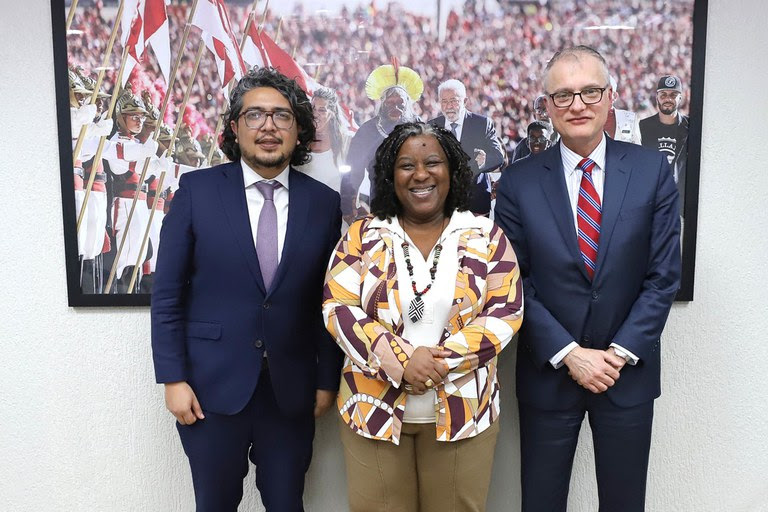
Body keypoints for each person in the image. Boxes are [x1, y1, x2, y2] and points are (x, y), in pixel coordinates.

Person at [494, 46, 681, 512]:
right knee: (540, 501)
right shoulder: (517, 183)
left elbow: (663, 277)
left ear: (611, 97)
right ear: (547, 106)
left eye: (590, 92)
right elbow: (515, 282)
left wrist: (616, 355)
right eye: (562, 95)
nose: (577, 105)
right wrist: (570, 354)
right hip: (550, 371)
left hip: (627, 373)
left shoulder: (650, 171)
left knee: (624, 503)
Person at [151, 67, 343, 511]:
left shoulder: (323, 203)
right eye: (255, 115)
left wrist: (326, 379)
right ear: (235, 128)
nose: (269, 126)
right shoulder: (197, 191)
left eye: (282, 116)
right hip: (209, 390)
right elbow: (167, 295)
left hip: (292, 392)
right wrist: (173, 378)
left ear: (300, 130)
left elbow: (328, 300)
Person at [324, 122, 523, 512]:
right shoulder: (362, 235)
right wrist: (402, 361)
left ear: (452, 170)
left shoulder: (486, 235)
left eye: (433, 162)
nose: (420, 174)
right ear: (388, 174)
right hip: (372, 411)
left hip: (465, 411)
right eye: (406, 165)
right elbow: (337, 306)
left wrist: (434, 364)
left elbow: (505, 311)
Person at [339, 62, 423, 222]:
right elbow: (351, 169)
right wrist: (347, 204)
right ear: (382, 104)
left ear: (408, 105)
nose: (395, 108)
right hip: (381, 208)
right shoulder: (367, 131)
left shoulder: (421, 128)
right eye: (390, 103)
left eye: (400, 103)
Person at [429, 78, 505, 215]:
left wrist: (484, 161)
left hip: (475, 201)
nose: (448, 106)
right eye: (444, 102)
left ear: (464, 101)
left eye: (453, 101)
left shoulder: (482, 124)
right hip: (441, 203)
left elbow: (498, 156)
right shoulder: (431, 126)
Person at [640, 75, 689, 209]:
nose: (668, 99)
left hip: (679, 205)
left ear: (681, 97)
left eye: (673, 95)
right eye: (663, 95)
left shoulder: (690, 127)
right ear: (657, 97)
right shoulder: (643, 127)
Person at [295, 87, 349, 192]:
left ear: (332, 113)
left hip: (332, 206)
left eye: (322, 110)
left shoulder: (346, 142)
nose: (315, 114)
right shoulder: (299, 140)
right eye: (313, 108)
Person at [511, 94, 557, 163]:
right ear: (534, 115)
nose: (543, 115)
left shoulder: (566, 143)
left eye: (547, 110)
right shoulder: (524, 146)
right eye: (539, 111)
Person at [604, 75, 642, 144]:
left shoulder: (631, 119)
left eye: (608, 92)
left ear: (615, 96)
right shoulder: (587, 120)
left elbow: (638, 149)